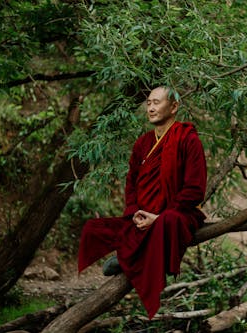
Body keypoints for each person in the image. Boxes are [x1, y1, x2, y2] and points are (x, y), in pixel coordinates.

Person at [77, 86, 207, 319]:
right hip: (142, 215)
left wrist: (158, 217)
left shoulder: (188, 140)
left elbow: (195, 189)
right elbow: (132, 184)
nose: (151, 108)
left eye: (156, 102)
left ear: (174, 107)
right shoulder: (142, 144)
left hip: (176, 213)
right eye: (148, 103)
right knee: (93, 229)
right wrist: (134, 211)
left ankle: (127, 258)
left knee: (169, 222)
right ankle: (135, 254)